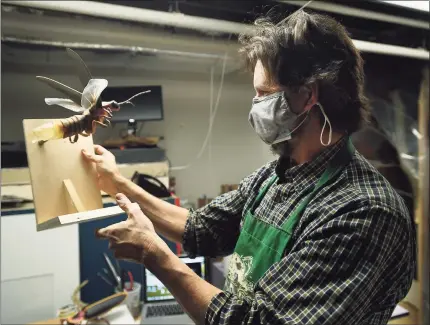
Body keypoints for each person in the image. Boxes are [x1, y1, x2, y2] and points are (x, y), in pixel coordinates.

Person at [82, 10, 415, 325]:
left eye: (263, 93)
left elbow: (258, 321)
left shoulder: (363, 212)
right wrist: (117, 184)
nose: (255, 105)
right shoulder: (276, 176)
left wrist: (157, 257)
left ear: (307, 95)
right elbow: (203, 229)